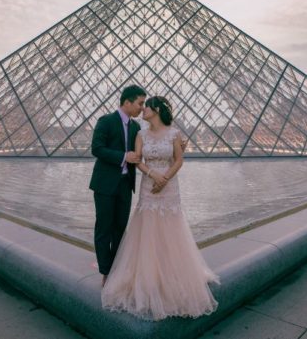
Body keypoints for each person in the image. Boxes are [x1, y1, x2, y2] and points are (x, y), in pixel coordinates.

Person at [102, 96, 218, 320]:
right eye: (141, 104)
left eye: (146, 106)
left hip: (169, 186)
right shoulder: (140, 133)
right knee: (147, 231)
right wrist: (154, 175)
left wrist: (164, 178)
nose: (143, 109)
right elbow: (137, 160)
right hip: (149, 184)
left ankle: (170, 274)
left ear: (156, 110)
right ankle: (150, 277)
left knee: (170, 231)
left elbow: (178, 160)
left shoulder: (174, 133)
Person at [90, 85, 147, 287]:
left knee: (120, 229)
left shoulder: (136, 127)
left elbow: (147, 147)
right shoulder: (106, 121)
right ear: (127, 102)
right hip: (105, 184)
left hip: (125, 185)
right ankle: (106, 272)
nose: (142, 108)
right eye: (140, 103)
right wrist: (123, 157)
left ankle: (115, 269)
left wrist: (177, 144)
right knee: (104, 228)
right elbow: (96, 148)